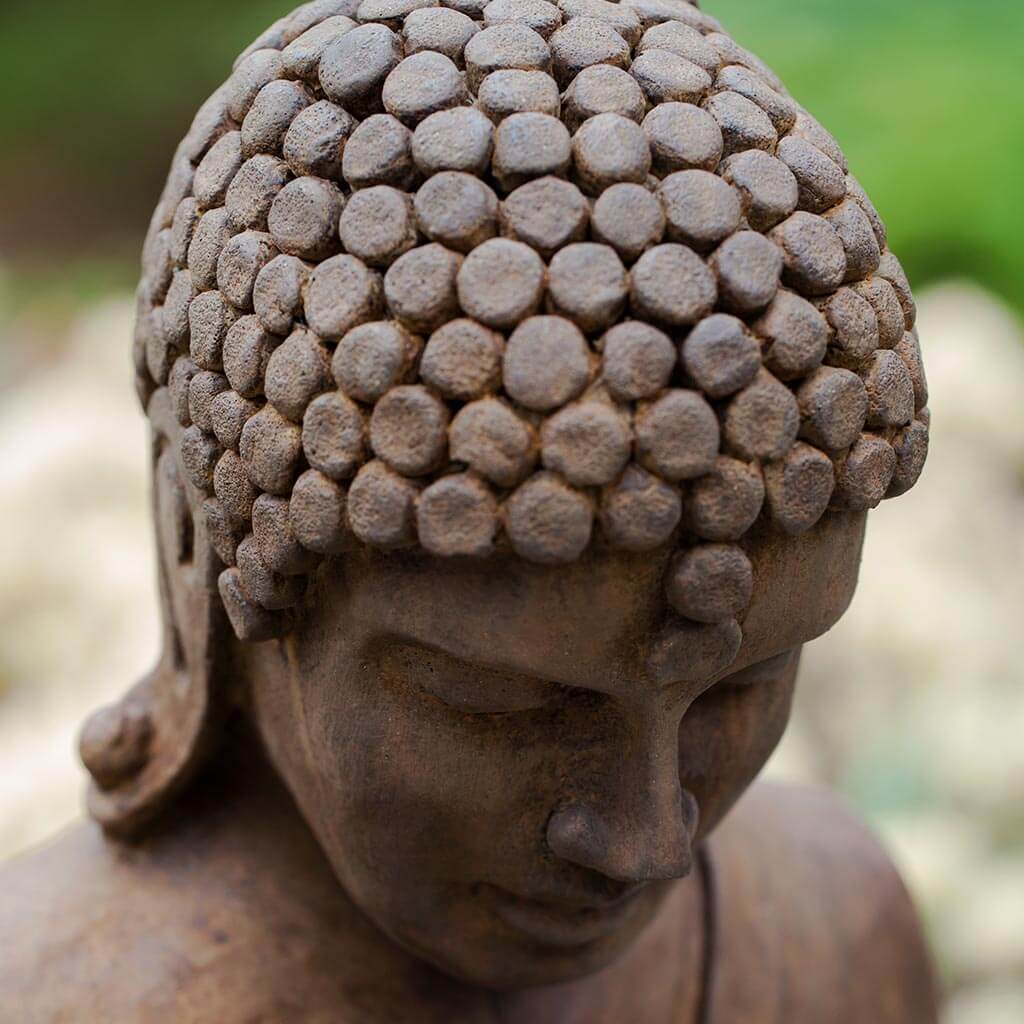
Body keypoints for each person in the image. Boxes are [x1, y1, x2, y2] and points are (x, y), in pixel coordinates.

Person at [0, 0, 936, 1019]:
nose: (647, 842)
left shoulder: (832, 940)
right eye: (506, 709)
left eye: (741, 685)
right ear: (203, 554)